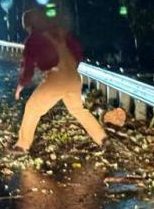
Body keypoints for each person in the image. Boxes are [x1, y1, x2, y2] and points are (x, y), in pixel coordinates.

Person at [14, 8, 106, 152]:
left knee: (32, 108)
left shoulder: (33, 39)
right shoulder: (59, 33)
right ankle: (102, 138)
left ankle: (22, 145)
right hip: (74, 77)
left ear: (27, 24)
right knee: (78, 110)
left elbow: (28, 65)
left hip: (57, 79)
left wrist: (21, 85)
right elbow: (77, 50)